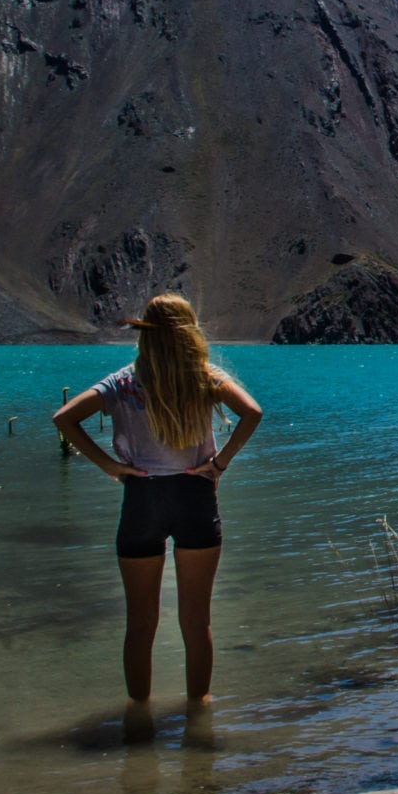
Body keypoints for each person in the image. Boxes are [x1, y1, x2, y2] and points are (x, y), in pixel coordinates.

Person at [53, 293, 262, 706]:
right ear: (190, 333)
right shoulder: (204, 376)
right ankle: (198, 713)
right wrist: (219, 465)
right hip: (194, 496)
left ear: (146, 334)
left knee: (140, 623)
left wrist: (110, 466)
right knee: (196, 621)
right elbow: (252, 412)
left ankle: (139, 717)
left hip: (142, 498)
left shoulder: (124, 381)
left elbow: (64, 418)